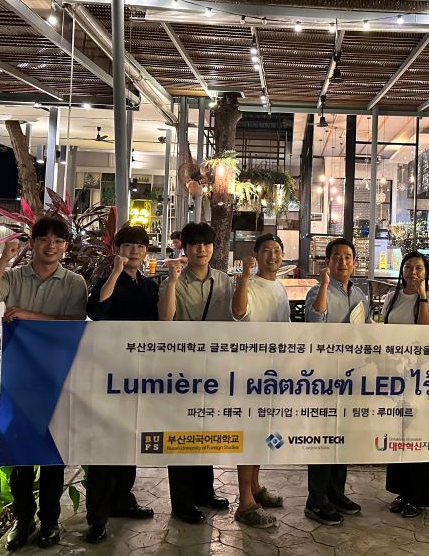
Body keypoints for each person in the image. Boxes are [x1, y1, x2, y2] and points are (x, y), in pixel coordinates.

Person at [0, 216, 88, 551]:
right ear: (33, 243)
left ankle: (50, 521)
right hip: (20, 376)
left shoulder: (74, 283)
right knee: (20, 454)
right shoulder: (14, 277)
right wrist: (4, 259)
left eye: (58, 240)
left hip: (58, 376)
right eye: (44, 239)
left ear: (66, 246)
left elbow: (74, 323)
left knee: (54, 454)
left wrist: (29, 315)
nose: (51, 246)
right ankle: (23, 520)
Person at [158, 222, 237, 524]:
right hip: (181, 368)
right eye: (195, 244)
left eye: (206, 244)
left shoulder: (224, 280)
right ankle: (182, 501)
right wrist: (172, 283)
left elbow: (236, 319)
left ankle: (205, 491)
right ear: (185, 247)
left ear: (213, 248)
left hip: (213, 368)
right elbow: (165, 320)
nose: (201, 249)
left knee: (205, 428)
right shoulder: (174, 279)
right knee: (181, 432)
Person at [83, 225, 157, 544]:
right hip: (108, 374)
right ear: (117, 250)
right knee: (104, 445)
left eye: (140, 246)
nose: (135, 251)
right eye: (128, 246)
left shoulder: (149, 285)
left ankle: (123, 500)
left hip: (138, 374)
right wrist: (114, 273)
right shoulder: (105, 280)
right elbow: (98, 312)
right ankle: (97, 517)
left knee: (129, 439)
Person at [303, 237, 370, 526]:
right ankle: (316, 500)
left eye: (347, 257)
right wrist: (324, 285)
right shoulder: (317, 291)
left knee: (343, 435)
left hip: (351, 377)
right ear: (328, 262)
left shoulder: (360, 295)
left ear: (354, 263)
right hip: (324, 377)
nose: (342, 262)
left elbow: (365, 331)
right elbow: (314, 322)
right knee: (323, 436)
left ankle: (336, 493)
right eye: (337, 257)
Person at [230, 233, 289, 528]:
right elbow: (239, 312)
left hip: (272, 373)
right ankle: (245, 502)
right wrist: (244, 278)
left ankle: (255, 486)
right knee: (250, 433)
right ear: (256, 255)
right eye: (266, 250)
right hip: (250, 372)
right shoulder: (250, 285)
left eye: (277, 250)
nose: (272, 255)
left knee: (262, 432)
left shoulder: (280, 287)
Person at [381, 252, 429, 519]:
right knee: (398, 434)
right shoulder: (391, 298)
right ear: (402, 271)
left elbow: (425, 328)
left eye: (419, 268)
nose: (413, 273)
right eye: (408, 267)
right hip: (395, 376)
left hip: (420, 378)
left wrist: (423, 295)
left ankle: (418, 496)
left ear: (426, 272)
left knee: (418, 435)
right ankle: (402, 491)